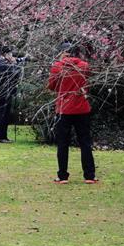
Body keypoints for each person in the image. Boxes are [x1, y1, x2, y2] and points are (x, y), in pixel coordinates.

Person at [46, 43, 97, 184]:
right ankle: (89, 175)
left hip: (64, 108)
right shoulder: (84, 66)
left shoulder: (58, 67)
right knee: (85, 142)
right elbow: (88, 83)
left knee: (63, 143)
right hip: (81, 108)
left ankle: (62, 176)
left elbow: (51, 86)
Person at [0, 47, 21, 143]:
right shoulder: (1, 63)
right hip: (3, 92)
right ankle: (0, 137)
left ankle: (4, 136)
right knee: (2, 114)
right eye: (10, 54)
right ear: (5, 54)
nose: (12, 56)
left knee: (6, 114)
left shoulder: (4, 63)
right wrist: (15, 64)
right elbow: (12, 72)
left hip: (7, 91)